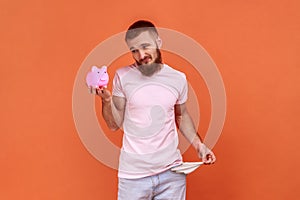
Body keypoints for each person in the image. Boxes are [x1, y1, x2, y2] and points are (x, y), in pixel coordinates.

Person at [89, 20, 216, 200]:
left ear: (158, 42)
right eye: (134, 50)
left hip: (172, 174)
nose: (141, 55)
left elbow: (182, 115)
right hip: (134, 177)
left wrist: (199, 146)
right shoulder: (122, 76)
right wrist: (106, 100)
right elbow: (113, 125)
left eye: (145, 46)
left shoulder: (178, 78)